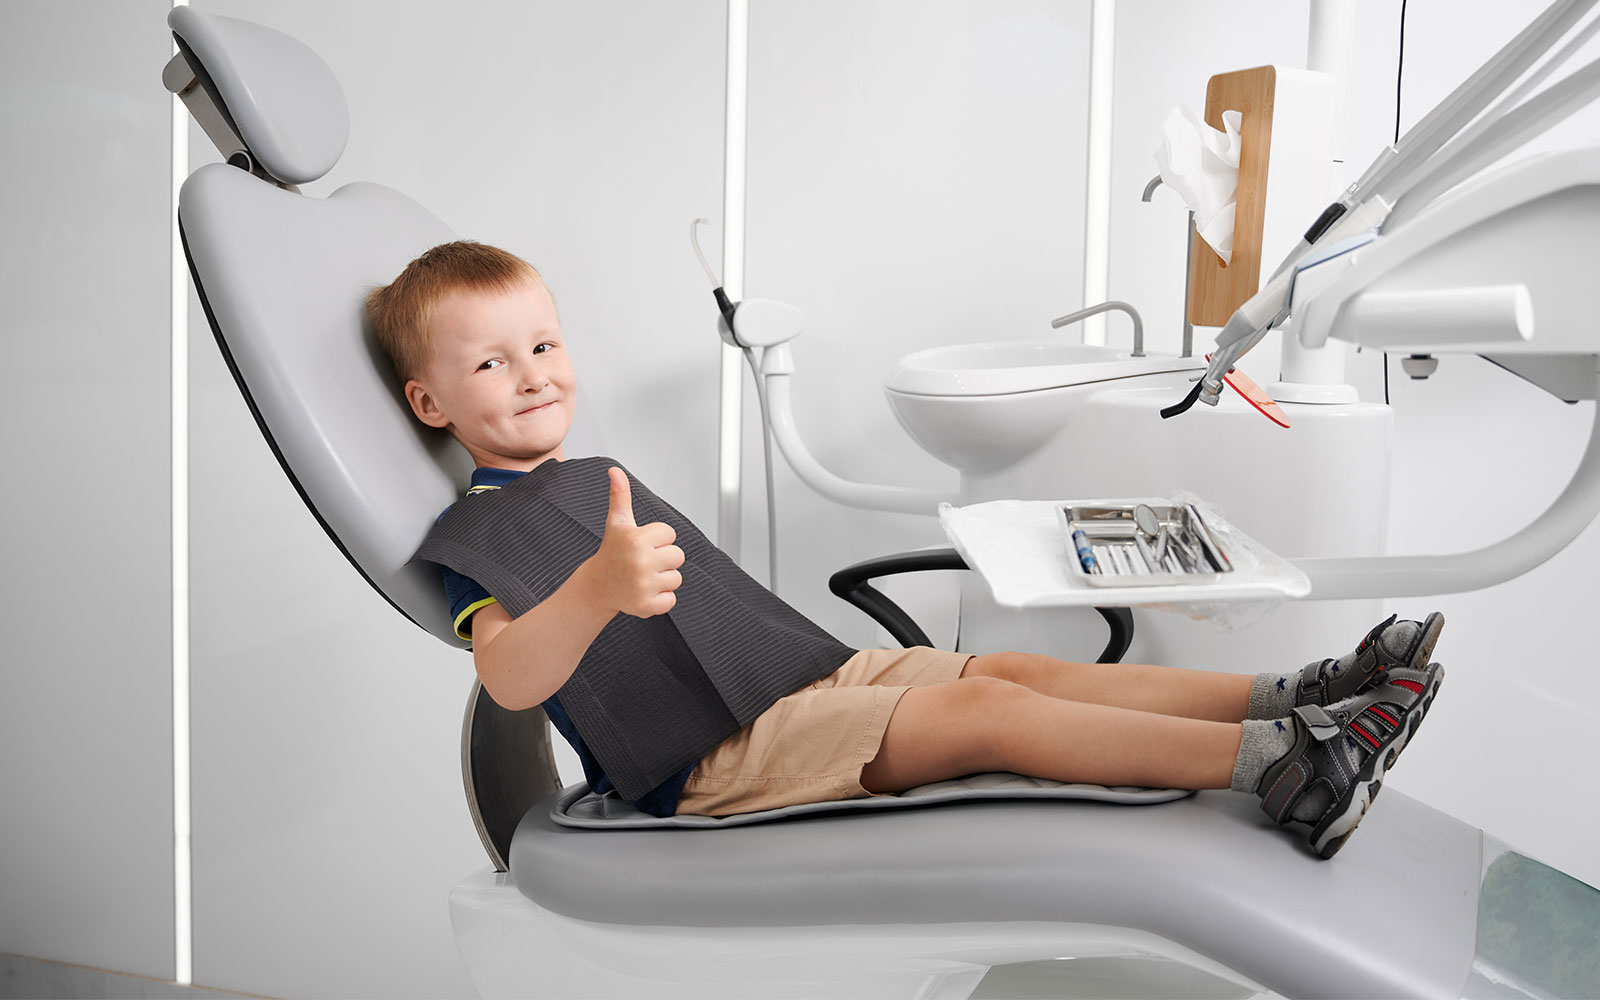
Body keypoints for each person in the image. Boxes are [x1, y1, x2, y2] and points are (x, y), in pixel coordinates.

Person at [366, 240, 1445, 859]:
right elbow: (507, 672)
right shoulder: (476, 538)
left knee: (1013, 669)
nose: (534, 374)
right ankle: (1290, 770)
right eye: (492, 365)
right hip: (713, 758)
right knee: (989, 715)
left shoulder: (578, 478)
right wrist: (600, 587)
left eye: (543, 345)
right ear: (429, 401)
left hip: (802, 681)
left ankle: (1291, 694)